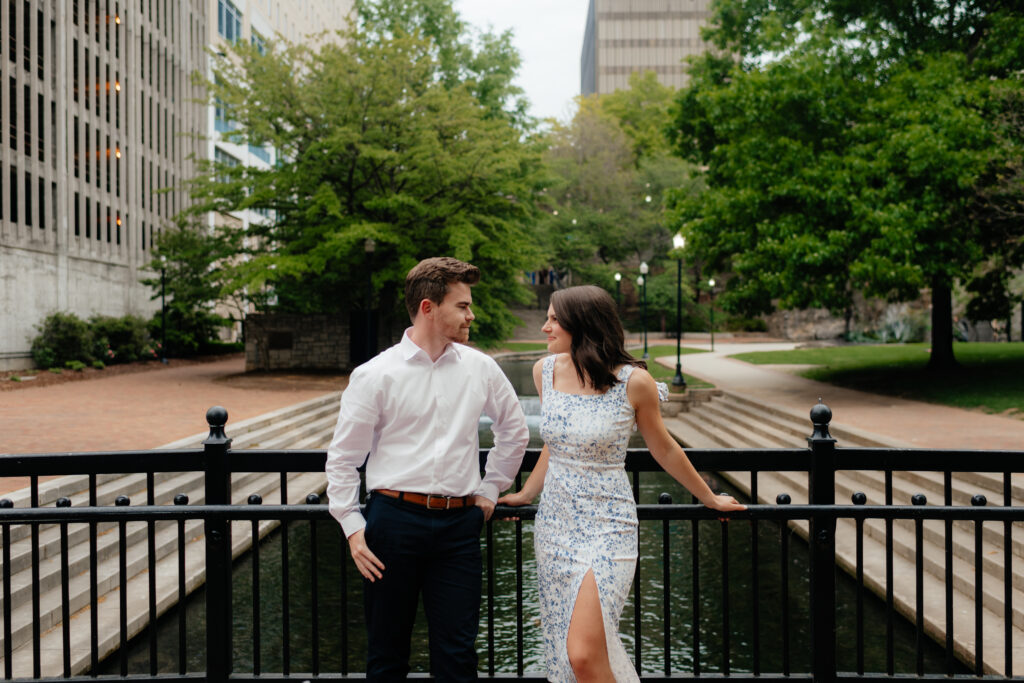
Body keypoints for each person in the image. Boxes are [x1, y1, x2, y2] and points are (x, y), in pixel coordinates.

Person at [498, 285, 745, 682]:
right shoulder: (544, 372)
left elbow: (664, 449)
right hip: (555, 526)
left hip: (608, 527)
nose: (545, 327)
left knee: (582, 654)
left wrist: (709, 497)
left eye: (553, 319)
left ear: (582, 325)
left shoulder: (634, 382)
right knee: (573, 655)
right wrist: (527, 493)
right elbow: (556, 444)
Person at [325, 256, 530, 681]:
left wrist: (490, 490)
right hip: (392, 525)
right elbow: (344, 458)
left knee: (457, 658)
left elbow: (515, 431)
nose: (471, 314)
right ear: (427, 307)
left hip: (460, 526)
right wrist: (351, 523)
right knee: (387, 657)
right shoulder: (375, 375)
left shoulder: (481, 369)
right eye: (463, 305)